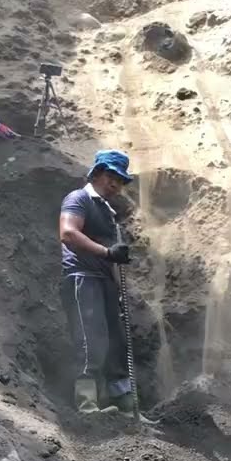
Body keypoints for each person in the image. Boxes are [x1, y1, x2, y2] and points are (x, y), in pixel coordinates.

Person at [57, 149, 150, 421]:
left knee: (116, 344)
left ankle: (128, 408)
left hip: (104, 283)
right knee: (91, 340)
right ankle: (87, 406)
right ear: (97, 172)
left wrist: (116, 288)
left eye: (120, 180)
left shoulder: (107, 211)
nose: (116, 184)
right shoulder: (79, 198)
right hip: (82, 277)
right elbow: (68, 233)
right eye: (111, 176)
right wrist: (108, 253)